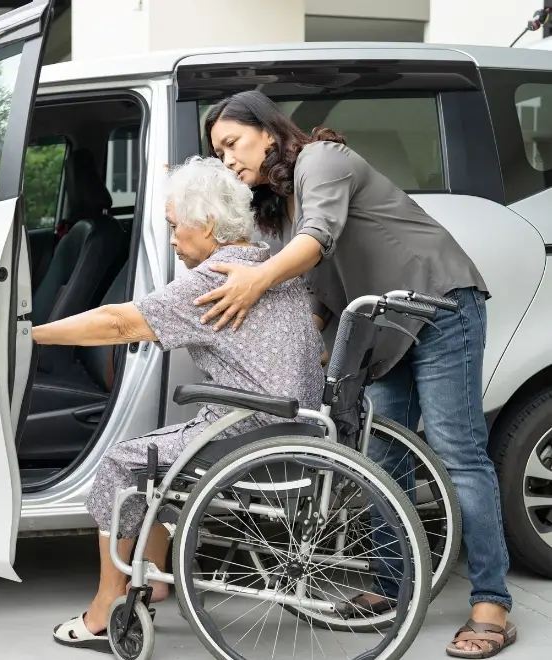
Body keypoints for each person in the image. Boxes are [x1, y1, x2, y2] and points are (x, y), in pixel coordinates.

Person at [197, 90, 517, 658]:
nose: (228, 160)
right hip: (383, 323)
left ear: (269, 132)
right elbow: (319, 288)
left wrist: (255, 281)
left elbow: (316, 240)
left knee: (456, 450)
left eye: (232, 143)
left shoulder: (320, 160)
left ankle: (491, 603)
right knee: (379, 457)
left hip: (439, 302)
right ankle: (392, 590)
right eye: (218, 154)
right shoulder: (278, 210)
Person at [36, 156, 326, 650]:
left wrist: (32, 334)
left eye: (174, 226)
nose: (171, 239)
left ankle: (105, 608)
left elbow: (119, 324)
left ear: (208, 224)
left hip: (245, 434)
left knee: (121, 463)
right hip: (296, 429)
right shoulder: (268, 264)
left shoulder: (211, 279)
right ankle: (158, 576)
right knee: (157, 455)